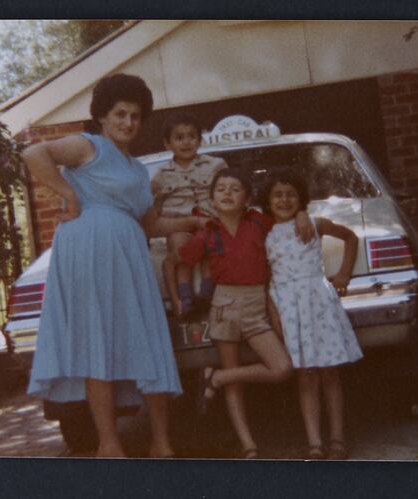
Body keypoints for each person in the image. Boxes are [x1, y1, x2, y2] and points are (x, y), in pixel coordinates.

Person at [23, 74, 205, 459]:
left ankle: (161, 442)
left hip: (128, 250)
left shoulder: (138, 171)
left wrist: (193, 223)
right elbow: (34, 154)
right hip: (87, 247)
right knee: (97, 341)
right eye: (120, 113)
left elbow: (150, 224)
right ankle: (109, 443)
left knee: (148, 338)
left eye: (136, 116)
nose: (128, 122)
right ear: (103, 117)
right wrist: (69, 194)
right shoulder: (89, 146)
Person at [166, 167, 313, 459]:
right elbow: (172, 263)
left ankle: (216, 378)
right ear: (212, 199)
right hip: (224, 306)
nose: (228, 194)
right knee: (237, 387)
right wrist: (175, 299)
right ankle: (248, 445)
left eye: (235, 189)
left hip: (256, 305)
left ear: (247, 198)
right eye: (221, 189)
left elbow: (285, 218)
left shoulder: (259, 222)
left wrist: (302, 213)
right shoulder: (207, 234)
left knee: (281, 368)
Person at [261, 167, 363, 460]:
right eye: (277, 195)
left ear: (301, 199)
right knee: (305, 376)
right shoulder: (265, 234)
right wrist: (274, 313)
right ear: (267, 201)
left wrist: (343, 273)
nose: (284, 200)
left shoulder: (314, 223)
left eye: (291, 194)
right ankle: (314, 443)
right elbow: (268, 278)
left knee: (329, 372)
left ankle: (337, 439)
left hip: (318, 303)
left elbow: (350, 237)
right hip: (288, 307)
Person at [151, 112, 227, 317]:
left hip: (210, 220)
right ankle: (186, 297)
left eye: (191, 136)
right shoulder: (160, 176)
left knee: (210, 249)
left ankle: (207, 294)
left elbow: (228, 195)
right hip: (178, 224)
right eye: (179, 137)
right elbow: (154, 211)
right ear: (167, 144)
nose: (186, 142)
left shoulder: (215, 165)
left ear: (199, 140)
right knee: (181, 247)